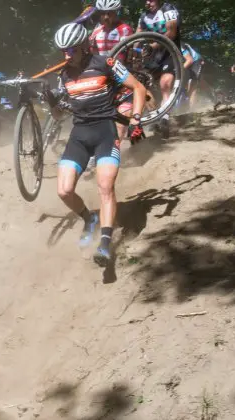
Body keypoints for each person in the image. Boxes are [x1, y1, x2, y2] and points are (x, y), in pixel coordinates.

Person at [47, 23, 147, 266]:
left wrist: (135, 119)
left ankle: (105, 243)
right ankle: (88, 219)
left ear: (84, 46)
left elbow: (138, 87)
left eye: (71, 50)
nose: (66, 55)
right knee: (64, 190)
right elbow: (60, 116)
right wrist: (52, 103)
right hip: (79, 135)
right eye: (63, 51)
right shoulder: (64, 75)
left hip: (105, 131)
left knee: (105, 187)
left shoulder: (105, 63)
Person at [90, 0, 135, 146]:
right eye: (102, 14)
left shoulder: (125, 29)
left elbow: (125, 56)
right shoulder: (96, 31)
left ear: (116, 12)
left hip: (121, 80)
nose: (105, 17)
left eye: (109, 13)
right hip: (102, 82)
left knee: (121, 123)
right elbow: (92, 55)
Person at [136, 0, 181, 135]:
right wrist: (133, 51)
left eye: (151, 0)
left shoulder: (168, 9)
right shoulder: (144, 15)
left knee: (165, 84)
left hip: (170, 52)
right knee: (142, 87)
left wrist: (152, 46)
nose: (147, 3)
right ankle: (155, 115)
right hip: (153, 56)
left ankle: (165, 118)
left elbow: (171, 33)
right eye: (145, 0)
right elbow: (137, 36)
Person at [180, 43, 203, 109]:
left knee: (192, 85)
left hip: (196, 60)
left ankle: (190, 109)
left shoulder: (179, 45)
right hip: (187, 61)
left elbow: (190, 60)